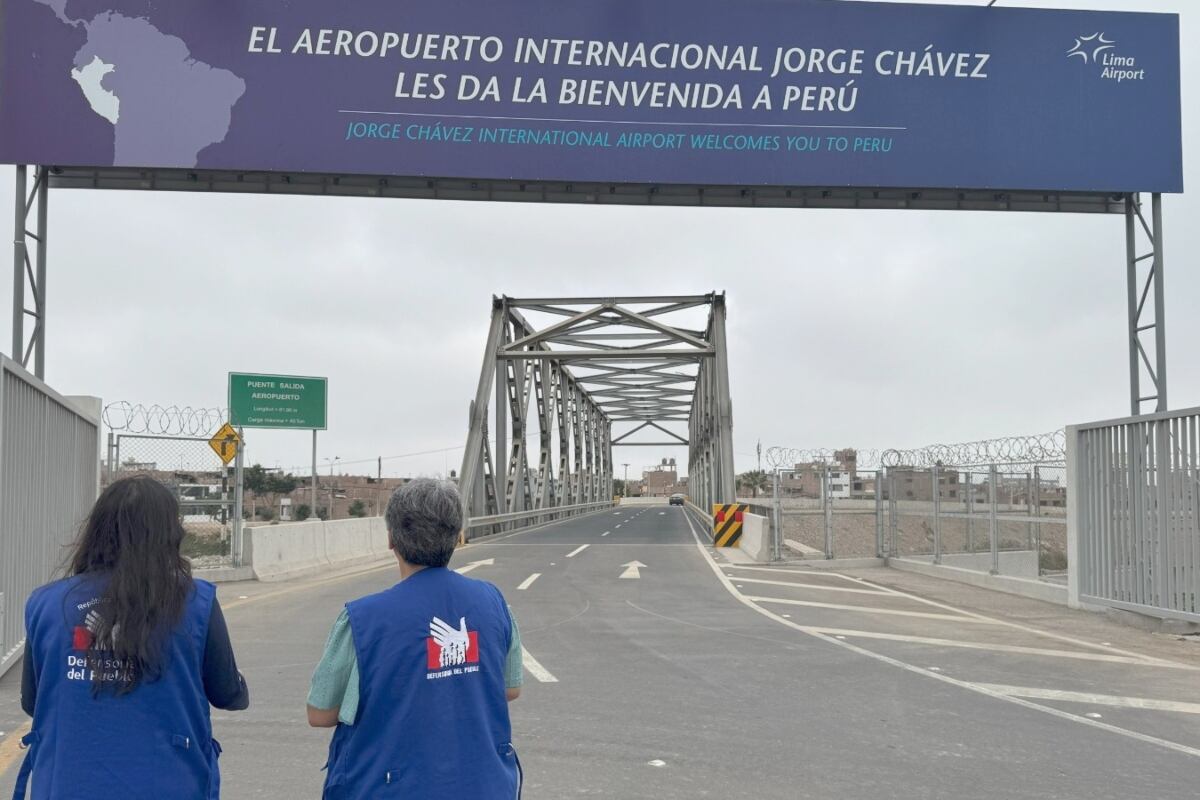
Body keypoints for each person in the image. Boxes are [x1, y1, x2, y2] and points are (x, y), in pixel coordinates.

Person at [14, 475, 249, 800]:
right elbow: (228, 695)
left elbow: (32, 701)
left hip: (67, 785)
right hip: (170, 784)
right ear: (169, 534)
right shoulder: (196, 602)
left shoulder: (46, 603)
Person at [307, 478, 523, 799]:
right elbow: (510, 688)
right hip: (484, 785)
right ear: (457, 537)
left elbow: (321, 713)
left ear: (391, 539)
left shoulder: (363, 619)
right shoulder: (493, 602)